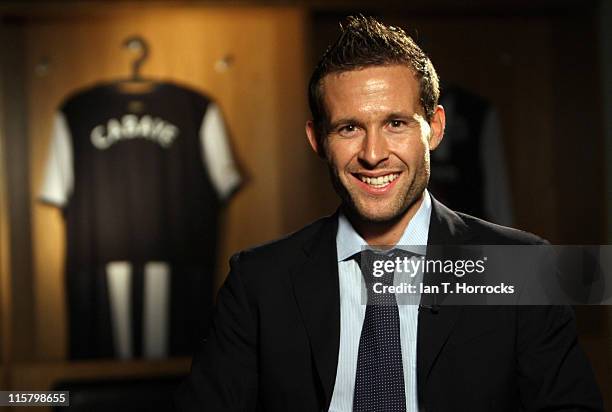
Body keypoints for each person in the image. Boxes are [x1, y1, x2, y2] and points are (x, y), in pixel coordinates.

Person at [175, 15, 603, 411]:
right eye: (349, 128)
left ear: (434, 128)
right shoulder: (258, 283)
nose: (373, 154)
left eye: (396, 123)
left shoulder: (521, 269)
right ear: (318, 140)